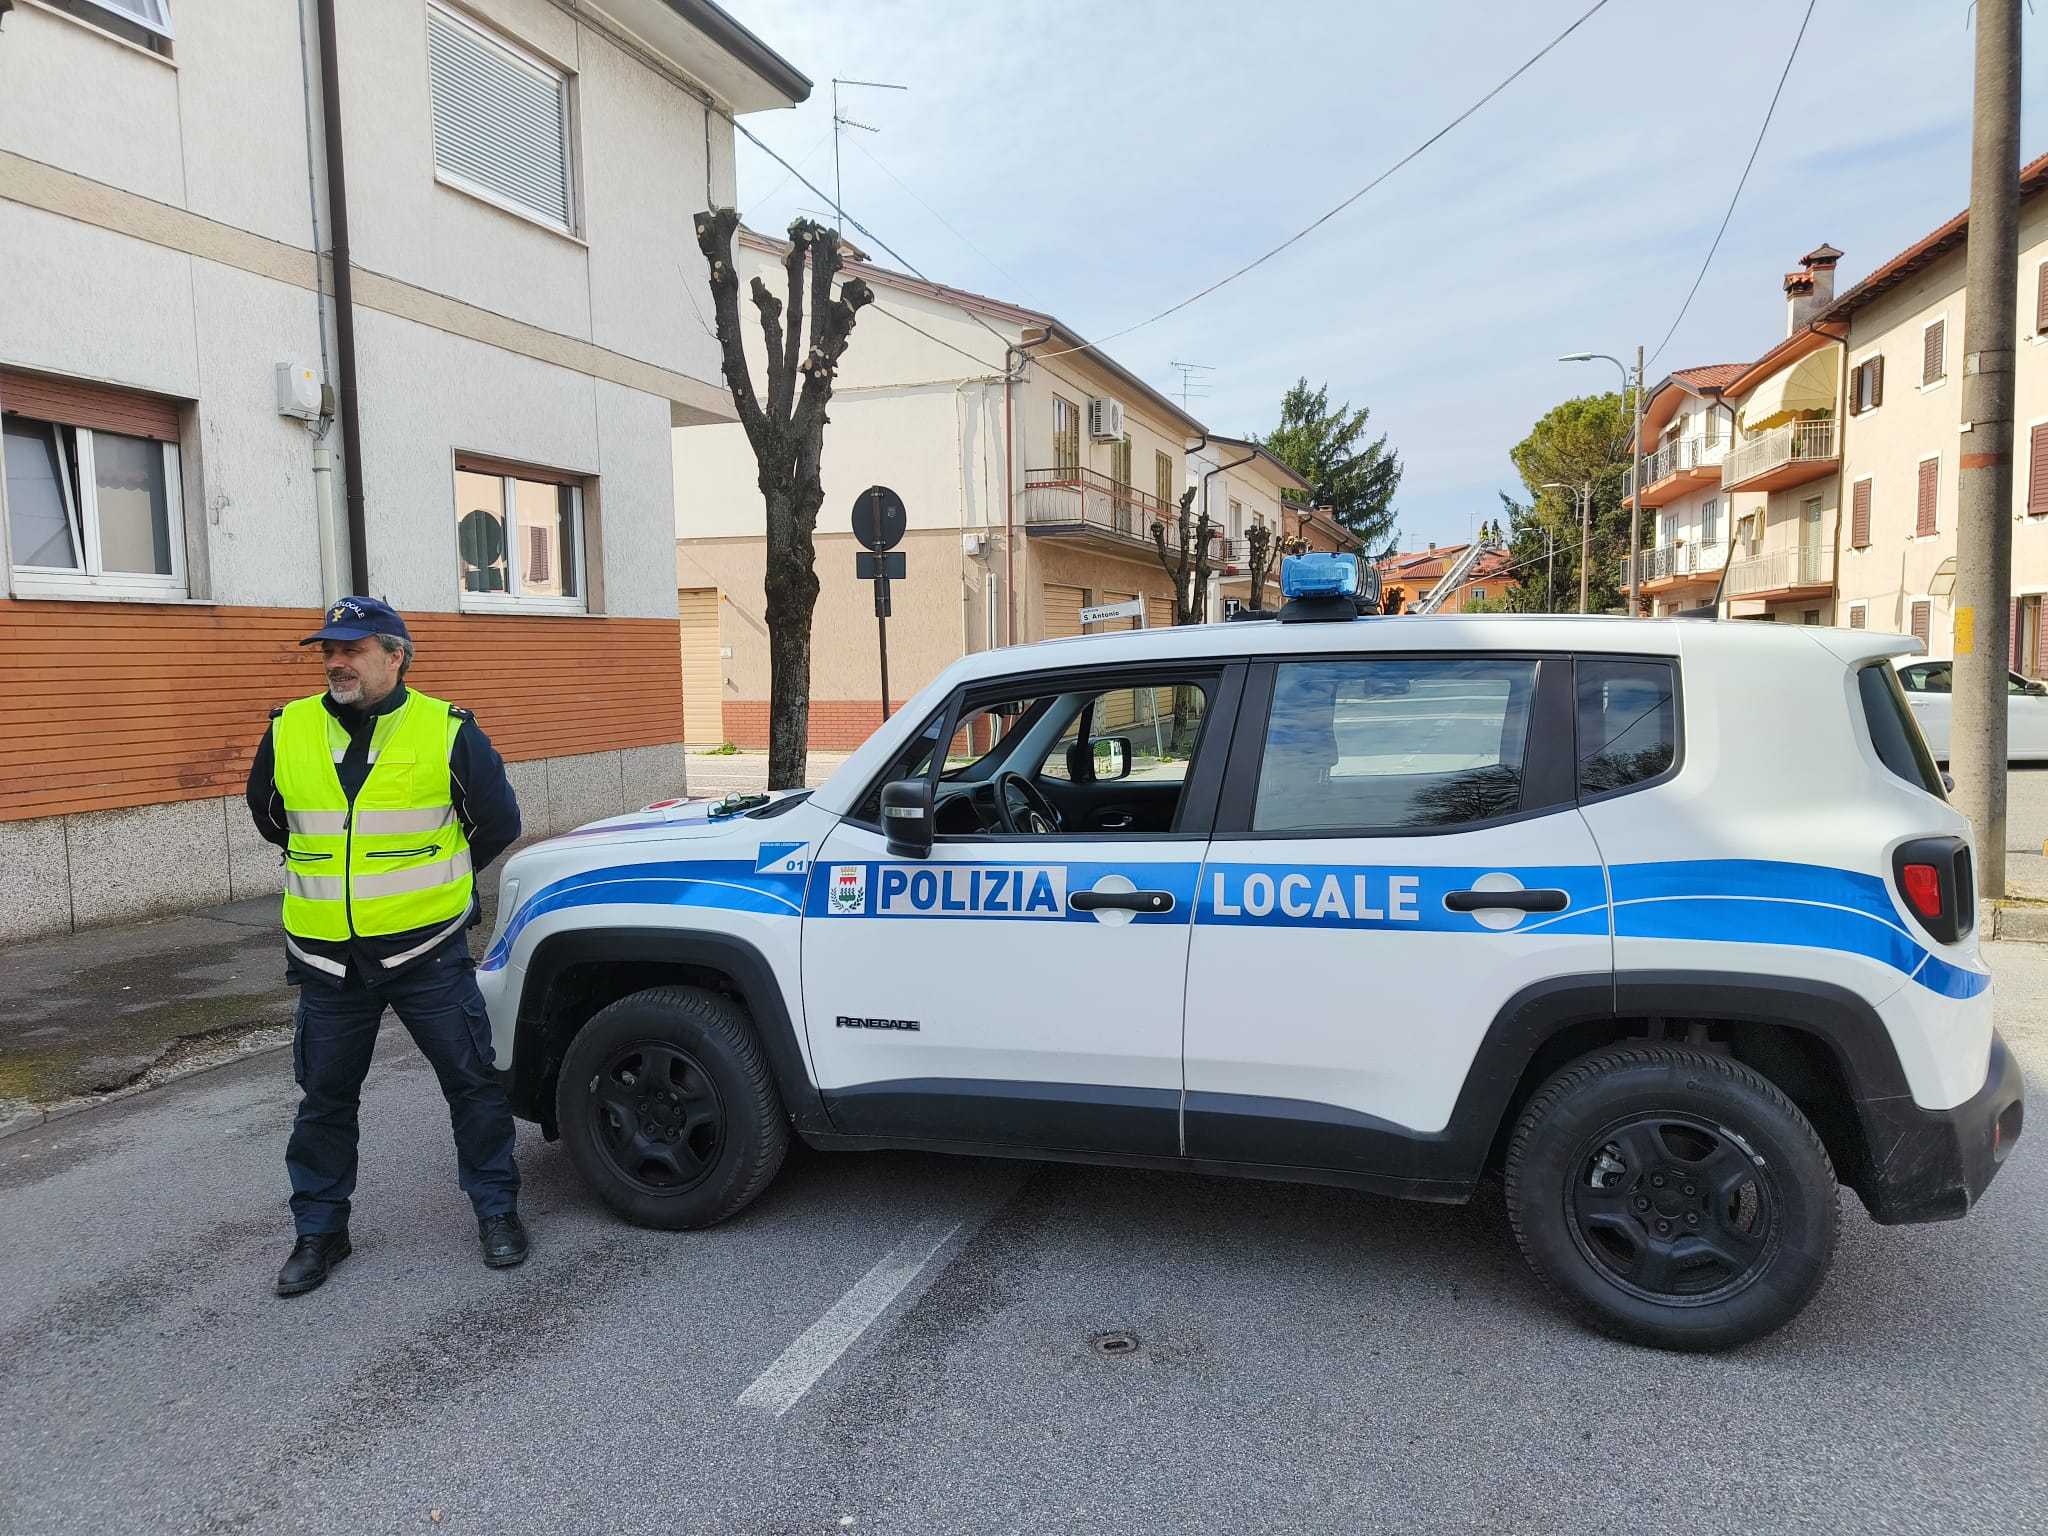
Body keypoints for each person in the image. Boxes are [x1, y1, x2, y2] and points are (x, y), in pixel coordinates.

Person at [247, 597, 527, 1296]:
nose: (336, 661)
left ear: (395, 654)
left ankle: (497, 1212)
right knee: (324, 1102)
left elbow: (495, 822)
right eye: (328, 651)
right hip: (326, 960)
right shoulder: (289, 728)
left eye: (353, 649)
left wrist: (434, 887)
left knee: (472, 1086)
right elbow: (272, 816)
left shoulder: (445, 728)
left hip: (425, 954)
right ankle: (320, 1232)